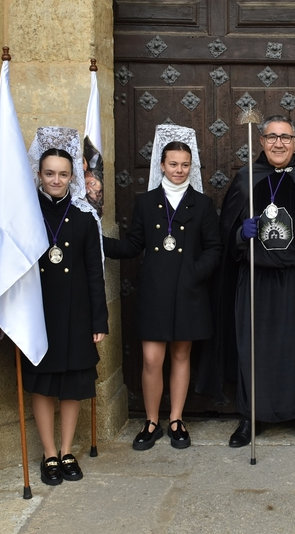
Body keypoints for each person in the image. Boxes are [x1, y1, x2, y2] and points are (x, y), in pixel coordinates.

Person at [198, 115, 295, 450]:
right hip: (255, 280)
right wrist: (241, 233)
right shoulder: (246, 179)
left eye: (285, 137)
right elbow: (226, 233)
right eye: (271, 137)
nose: (278, 144)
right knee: (253, 348)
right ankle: (250, 415)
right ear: (261, 141)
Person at [103, 124, 221, 451]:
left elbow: (215, 248)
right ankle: (152, 421)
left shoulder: (203, 203)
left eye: (185, 165)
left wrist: (193, 273)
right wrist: (94, 244)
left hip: (189, 293)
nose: (179, 170)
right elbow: (132, 245)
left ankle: (177, 420)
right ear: (162, 165)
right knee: (152, 360)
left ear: (190, 167)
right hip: (155, 293)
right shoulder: (145, 202)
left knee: (182, 357)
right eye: (173, 164)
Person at [23, 127, 108, 486]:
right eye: (49, 173)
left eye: (63, 174)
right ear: (39, 176)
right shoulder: (24, 214)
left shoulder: (85, 217)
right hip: (38, 314)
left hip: (77, 315)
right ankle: (48, 453)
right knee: (44, 386)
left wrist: (99, 319)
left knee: (73, 385)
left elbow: (94, 273)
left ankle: (68, 449)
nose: (56, 180)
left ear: (72, 176)